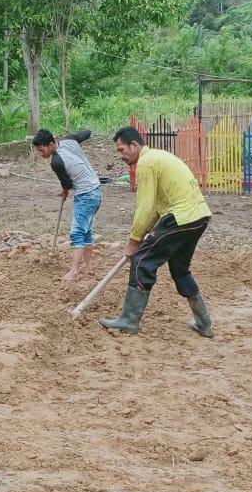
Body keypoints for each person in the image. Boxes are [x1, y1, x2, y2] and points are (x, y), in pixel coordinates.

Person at [100, 126, 213, 337]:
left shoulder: (146, 163)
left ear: (134, 145)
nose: (121, 156)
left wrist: (134, 241)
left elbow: (146, 207)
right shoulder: (157, 157)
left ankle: (128, 320)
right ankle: (203, 322)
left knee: (142, 260)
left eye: (122, 150)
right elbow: (154, 209)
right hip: (199, 216)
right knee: (180, 269)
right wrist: (140, 235)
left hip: (180, 217)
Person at [33, 128, 103, 281]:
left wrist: (65, 191)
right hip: (96, 192)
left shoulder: (56, 162)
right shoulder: (69, 140)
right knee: (87, 231)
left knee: (77, 232)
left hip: (85, 195)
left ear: (51, 145)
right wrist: (65, 190)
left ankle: (74, 271)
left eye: (41, 150)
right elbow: (86, 133)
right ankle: (86, 267)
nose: (41, 154)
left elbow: (67, 183)